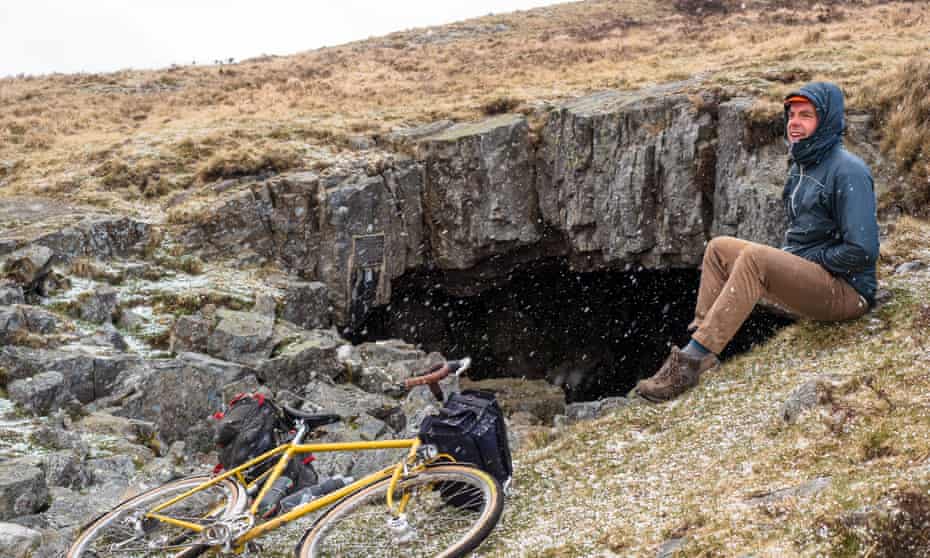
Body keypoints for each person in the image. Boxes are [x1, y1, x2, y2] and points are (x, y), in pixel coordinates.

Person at [634, 82, 879, 402]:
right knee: (719, 248)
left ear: (828, 120)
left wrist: (809, 258)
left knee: (756, 258)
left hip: (847, 293)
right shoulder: (803, 167)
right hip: (818, 276)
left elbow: (863, 251)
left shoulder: (849, 172)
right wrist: (800, 258)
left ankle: (689, 364)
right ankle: (702, 345)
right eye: (792, 114)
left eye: (806, 115)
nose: (794, 122)